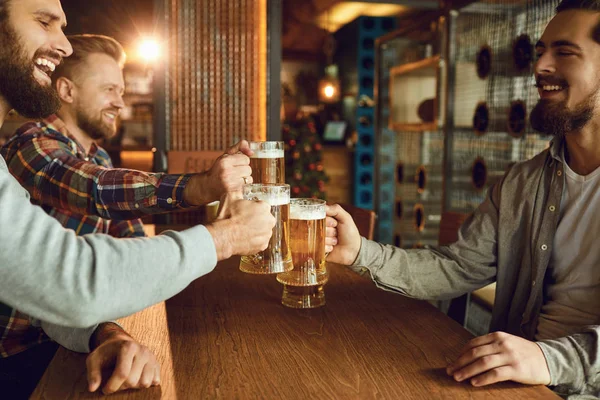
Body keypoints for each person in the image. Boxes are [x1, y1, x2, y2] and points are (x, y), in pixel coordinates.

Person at [325, 0, 600, 397]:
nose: (540, 67)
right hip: (516, 385)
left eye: (565, 52)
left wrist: (546, 360)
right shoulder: (522, 182)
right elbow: (457, 267)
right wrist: (361, 253)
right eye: (540, 52)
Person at [0, 0, 274, 329]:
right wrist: (201, 192)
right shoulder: (30, 145)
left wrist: (108, 333)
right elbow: (93, 188)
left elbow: (128, 245)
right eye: (109, 90)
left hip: (69, 338)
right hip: (22, 353)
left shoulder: (99, 157)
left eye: (122, 90)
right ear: (67, 91)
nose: (120, 100)